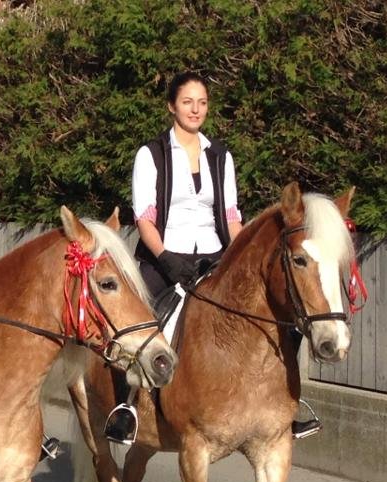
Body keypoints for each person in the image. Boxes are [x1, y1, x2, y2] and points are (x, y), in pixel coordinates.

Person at [109, 71, 317, 442]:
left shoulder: (220, 155)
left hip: (216, 256)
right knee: (140, 321)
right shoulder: (150, 154)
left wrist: (242, 257)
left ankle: (288, 403)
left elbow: (232, 215)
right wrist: (167, 258)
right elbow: (144, 218)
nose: (195, 109)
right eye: (188, 102)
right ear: (171, 106)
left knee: (281, 311)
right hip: (164, 256)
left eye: (202, 102)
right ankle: (127, 405)